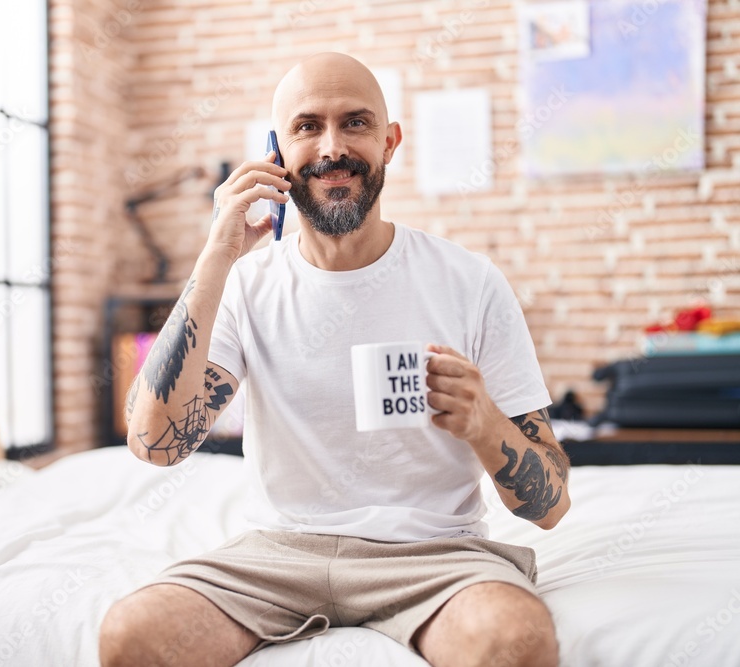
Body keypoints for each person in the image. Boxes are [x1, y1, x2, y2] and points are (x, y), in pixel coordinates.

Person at [100, 52, 570, 667]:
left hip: (433, 556)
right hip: (277, 553)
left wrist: (483, 422)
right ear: (275, 151)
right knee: (132, 635)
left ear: (388, 141)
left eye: (355, 123)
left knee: (515, 639)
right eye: (306, 127)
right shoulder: (244, 284)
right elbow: (154, 443)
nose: (332, 147)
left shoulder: (471, 282)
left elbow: (551, 505)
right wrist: (217, 253)